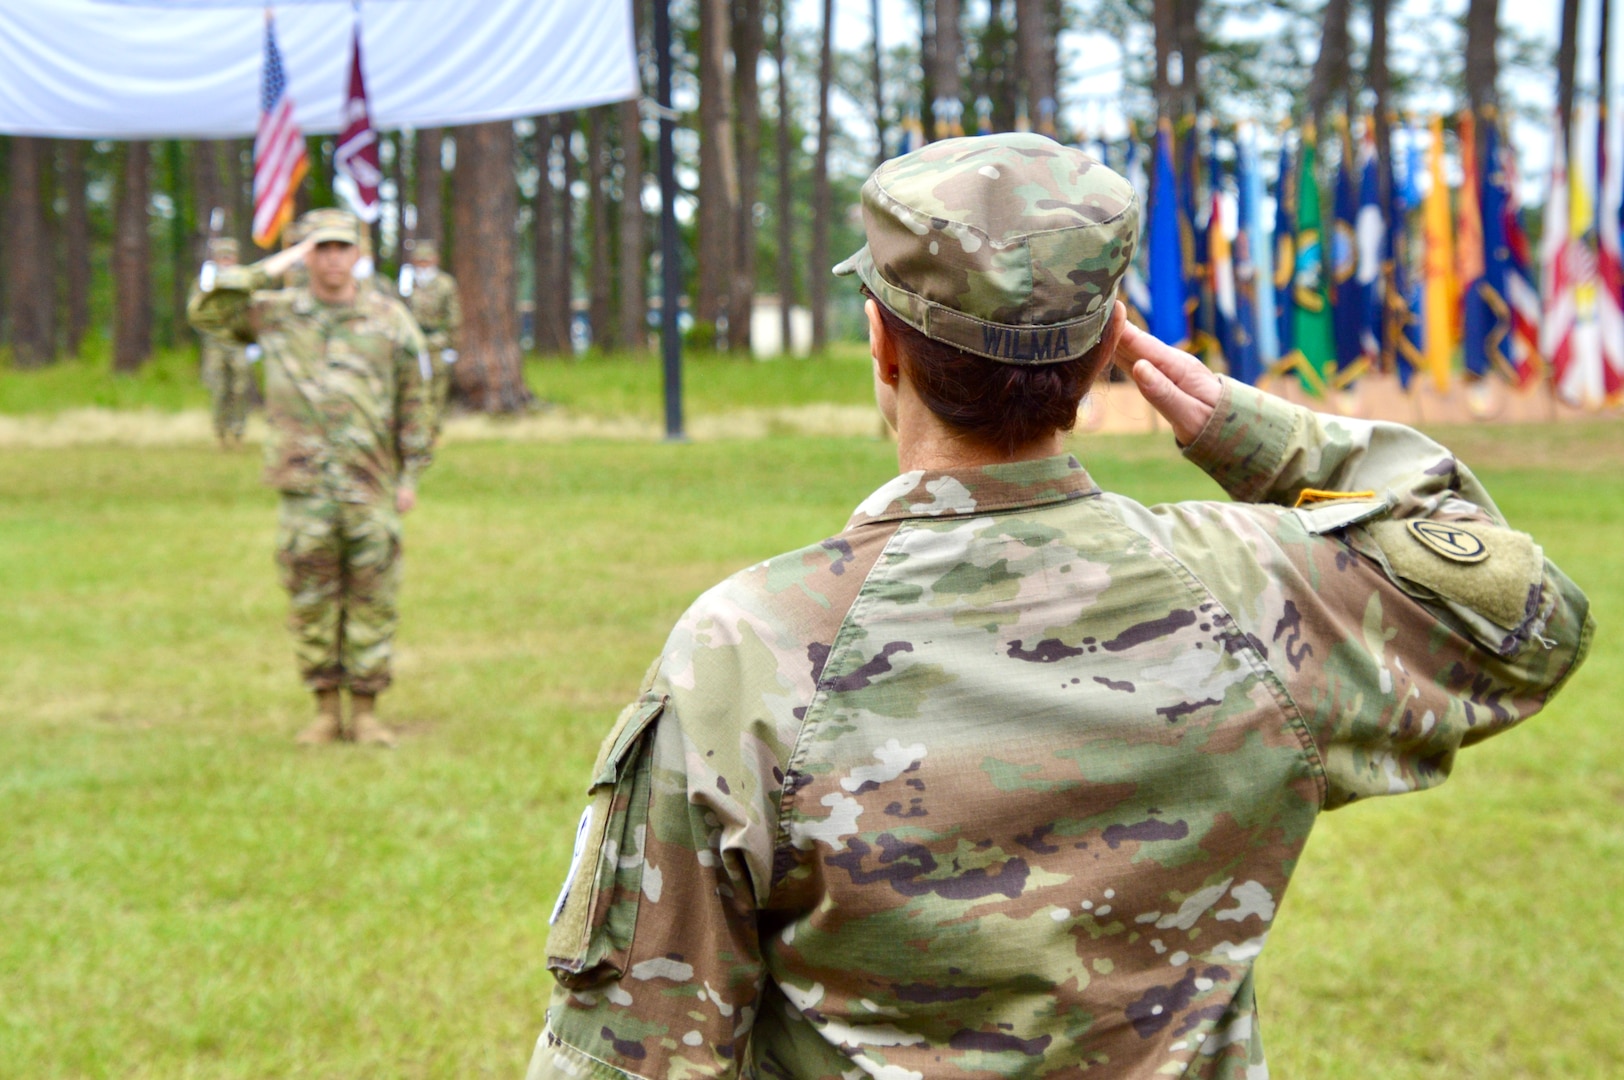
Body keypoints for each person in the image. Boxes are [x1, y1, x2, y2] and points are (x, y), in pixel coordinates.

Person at [523, 134, 1593, 1079]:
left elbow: (634, 1051)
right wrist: (1251, 432)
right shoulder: (1254, 590)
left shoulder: (750, 649)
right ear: (1103, 353)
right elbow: (1522, 613)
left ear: (882, 346)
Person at [188, 208, 436, 747]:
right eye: (319, 248)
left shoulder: (389, 319)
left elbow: (415, 398)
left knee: (373, 598)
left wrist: (410, 473)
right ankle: (325, 709)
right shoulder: (275, 314)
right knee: (311, 600)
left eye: (341, 247)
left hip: (370, 485)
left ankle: (367, 711)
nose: (331, 258)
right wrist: (272, 266)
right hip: (304, 489)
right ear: (306, 254)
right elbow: (206, 312)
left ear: (357, 253)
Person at [191, 237, 256, 447]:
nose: (226, 261)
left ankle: (238, 432)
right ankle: (220, 433)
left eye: (230, 257)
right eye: (223, 257)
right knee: (219, 389)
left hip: (238, 342)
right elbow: (196, 311)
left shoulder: (244, 281)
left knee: (240, 388)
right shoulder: (206, 282)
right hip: (215, 344)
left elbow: (253, 309)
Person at [398, 239, 462, 434]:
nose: (423, 264)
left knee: (437, 387)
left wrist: (451, 346)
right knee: (413, 385)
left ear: (435, 260)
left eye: (427, 261)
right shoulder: (407, 282)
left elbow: (454, 317)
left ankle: (435, 427)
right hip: (411, 342)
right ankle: (414, 427)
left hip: (436, 341)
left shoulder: (445, 284)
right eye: (420, 260)